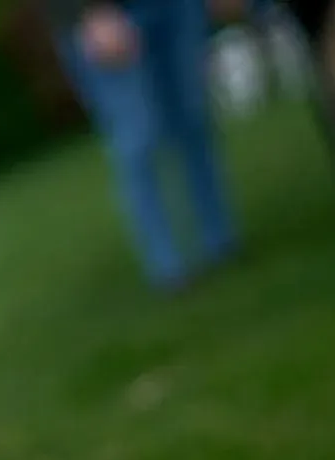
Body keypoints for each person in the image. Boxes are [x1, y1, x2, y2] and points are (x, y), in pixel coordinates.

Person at [46, 0, 243, 291]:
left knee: (194, 120)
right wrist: (89, 11)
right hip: (103, 16)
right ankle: (168, 268)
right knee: (137, 138)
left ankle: (221, 241)